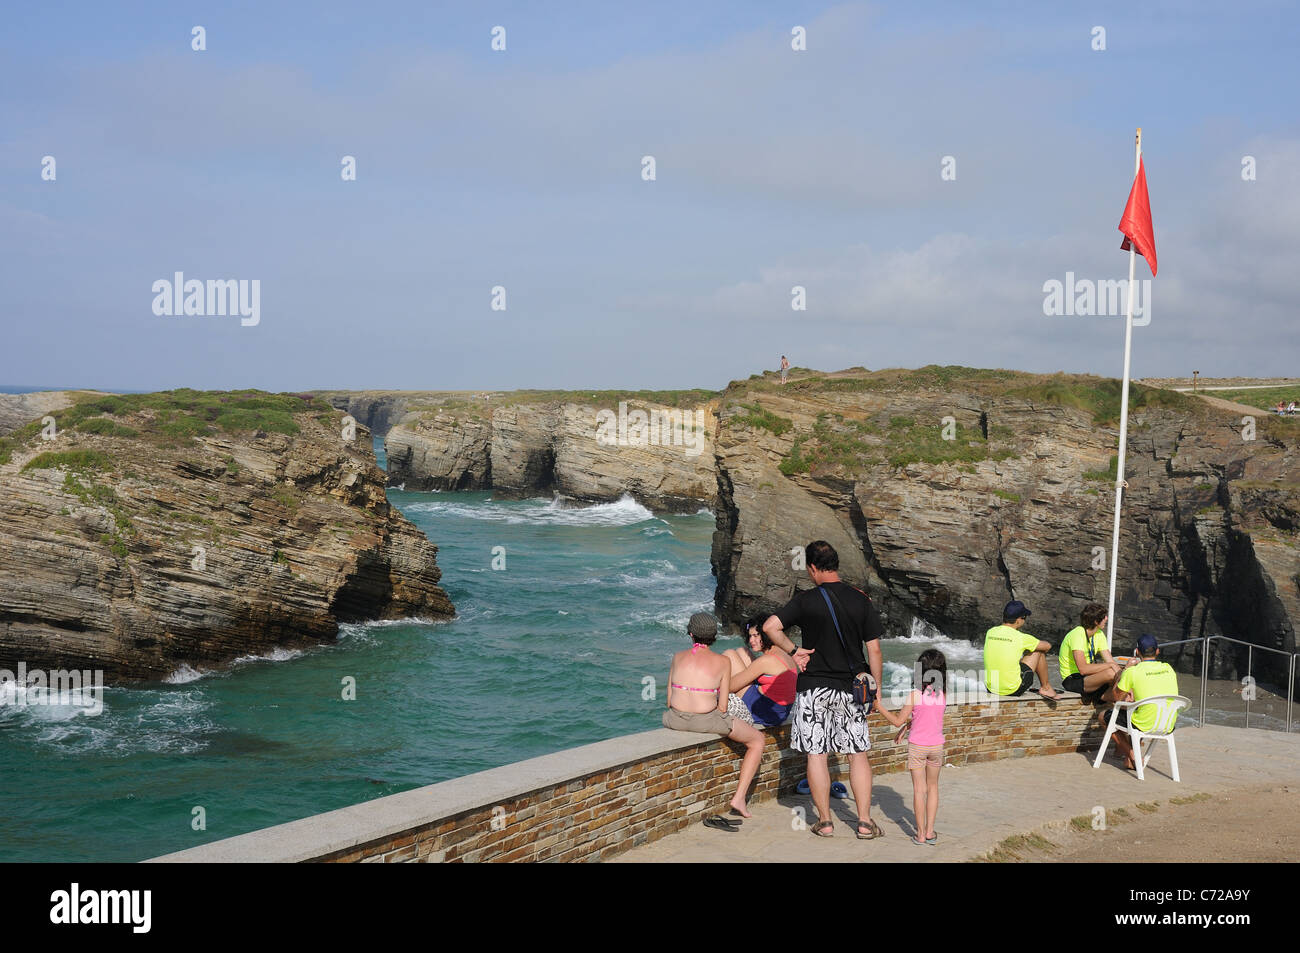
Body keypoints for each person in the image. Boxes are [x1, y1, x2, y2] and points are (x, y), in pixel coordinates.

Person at [761, 540, 886, 839]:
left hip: (814, 687)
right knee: (858, 754)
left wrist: (795, 651)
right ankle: (865, 823)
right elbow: (875, 650)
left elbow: (769, 627)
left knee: (816, 754)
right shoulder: (860, 599)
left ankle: (825, 822)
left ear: (813, 568)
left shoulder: (806, 600)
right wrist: (876, 687)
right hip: (852, 687)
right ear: (836, 564)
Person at [663, 612, 767, 825]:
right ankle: (739, 799)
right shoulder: (722, 661)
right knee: (757, 740)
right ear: (714, 636)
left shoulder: (677, 657)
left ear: (691, 634)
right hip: (706, 721)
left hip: (673, 718)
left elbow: (669, 701)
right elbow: (722, 706)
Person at [878, 649, 947, 846]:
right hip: (936, 747)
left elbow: (897, 720)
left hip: (917, 748)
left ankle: (920, 835)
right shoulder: (942, 694)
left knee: (919, 790)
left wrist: (879, 706)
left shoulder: (914, 694)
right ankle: (931, 832)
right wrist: (906, 729)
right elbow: (925, 718)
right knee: (933, 788)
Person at [1102, 633, 1180, 770]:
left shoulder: (1132, 672)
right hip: (1167, 724)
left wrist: (1125, 669)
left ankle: (1133, 755)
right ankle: (1128, 758)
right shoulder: (1169, 668)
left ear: (1137, 652)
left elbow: (1115, 697)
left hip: (1144, 723)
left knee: (1104, 716)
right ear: (1157, 651)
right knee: (1139, 712)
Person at [723, 616, 799, 729]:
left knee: (729, 654)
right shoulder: (782, 652)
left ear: (765, 635)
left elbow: (731, 687)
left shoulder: (765, 661)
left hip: (766, 713)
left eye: (755, 635)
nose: (751, 640)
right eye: (750, 636)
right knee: (743, 651)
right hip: (781, 711)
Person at [983, 600, 1058, 699]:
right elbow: (1047, 646)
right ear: (1019, 620)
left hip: (991, 688)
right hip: (1012, 690)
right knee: (1038, 650)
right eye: (1025, 618)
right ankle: (1046, 688)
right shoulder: (1021, 637)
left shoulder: (990, 632)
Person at [1058, 602, 1121, 699]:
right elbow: (1083, 669)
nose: (1106, 619)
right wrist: (1111, 665)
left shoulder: (1099, 634)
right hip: (1073, 679)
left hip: (1089, 677)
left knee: (1126, 673)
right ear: (1096, 621)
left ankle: (1108, 703)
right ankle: (1105, 699)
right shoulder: (1077, 634)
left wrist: (1124, 675)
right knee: (1110, 673)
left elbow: (1111, 661)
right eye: (1104, 617)